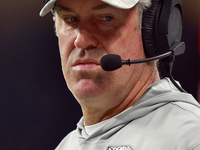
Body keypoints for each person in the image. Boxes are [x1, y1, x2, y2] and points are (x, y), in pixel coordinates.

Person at [40, 0, 200, 149]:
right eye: (70, 19)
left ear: (153, 27)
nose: (81, 40)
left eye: (105, 18)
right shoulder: (67, 145)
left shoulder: (190, 137)